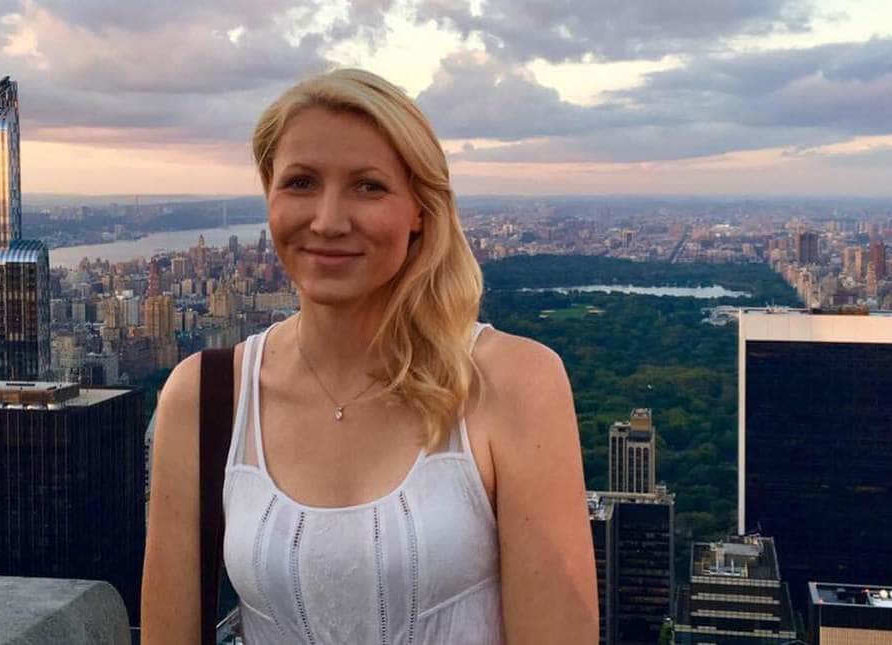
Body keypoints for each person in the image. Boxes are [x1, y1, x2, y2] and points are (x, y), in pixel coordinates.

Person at [142, 68, 598, 644]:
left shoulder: (514, 383)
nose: (328, 221)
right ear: (269, 196)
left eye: (368, 187)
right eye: (301, 182)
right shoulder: (205, 397)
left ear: (420, 210)